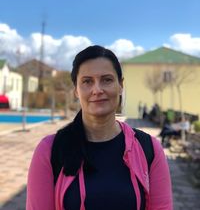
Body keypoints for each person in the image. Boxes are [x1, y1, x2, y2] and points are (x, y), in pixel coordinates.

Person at [26, 45, 173, 210]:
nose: (97, 89)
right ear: (76, 90)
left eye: (107, 80)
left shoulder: (149, 149)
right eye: (87, 81)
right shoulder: (49, 151)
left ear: (120, 85)